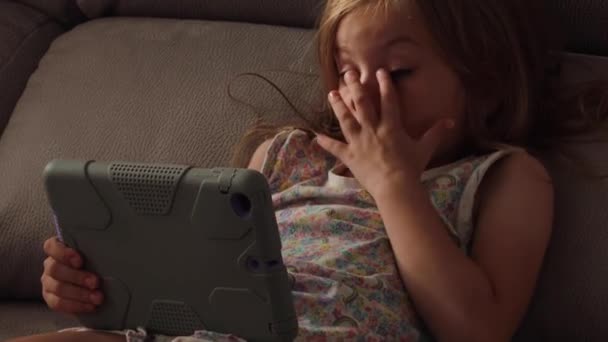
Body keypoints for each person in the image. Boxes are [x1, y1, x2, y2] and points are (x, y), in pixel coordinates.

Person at [12, 0, 608, 341]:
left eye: (399, 73)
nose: (365, 93)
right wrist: (97, 290)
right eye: (347, 71)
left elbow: (476, 332)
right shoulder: (287, 154)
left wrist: (394, 184)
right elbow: (204, 275)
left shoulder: (502, 177)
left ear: (483, 79)